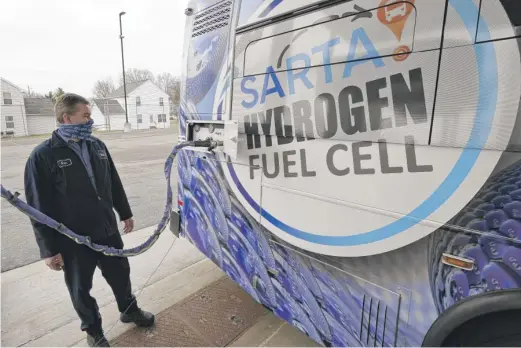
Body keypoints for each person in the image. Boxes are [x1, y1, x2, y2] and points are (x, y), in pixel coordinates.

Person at [24, 93, 154, 347]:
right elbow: (38, 207)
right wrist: (48, 250)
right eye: (85, 115)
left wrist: (124, 212)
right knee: (80, 288)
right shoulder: (43, 155)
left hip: (106, 229)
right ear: (66, 117)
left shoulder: (96, 146)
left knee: (121, 274)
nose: (90, 120)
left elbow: (113, 181)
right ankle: (93, 331)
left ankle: (129, 310)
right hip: (73, 239)